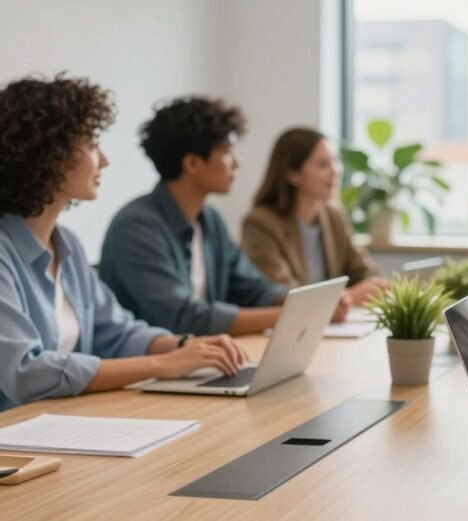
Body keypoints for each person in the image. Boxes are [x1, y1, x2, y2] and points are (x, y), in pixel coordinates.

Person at [0, 74, 248, 411]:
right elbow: (25, 371)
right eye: (90, 144)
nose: (104, 160)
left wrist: (187, 346)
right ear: (48, 154)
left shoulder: (66, 244)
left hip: (58, 423)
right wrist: (163, 364)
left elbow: (117, 333)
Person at [99, 98, 348, 337]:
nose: (237, 163)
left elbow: (253, 288)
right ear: (193, 163)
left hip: (201, 360)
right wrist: (293, 315)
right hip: (150, 371)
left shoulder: (209, 220)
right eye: (227, 151)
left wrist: (311, 302)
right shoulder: (135, 227)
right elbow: (183, 317)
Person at [241, 127, 387, 306]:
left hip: (333, 326)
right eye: (323, 165)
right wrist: (349, 297)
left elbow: (366, 273)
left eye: (335, 162)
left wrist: (373, 286)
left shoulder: (334, 215)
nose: (335, 171)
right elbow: (281, 295)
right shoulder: (260, 224)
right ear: (293, 175)